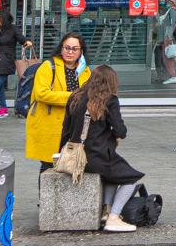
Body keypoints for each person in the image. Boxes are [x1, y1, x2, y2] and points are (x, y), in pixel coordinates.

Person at [60, 64, 147, 234]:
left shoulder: (75, 97)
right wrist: (116, 134)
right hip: (98, 156)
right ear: (111, 82)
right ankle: (114, 217)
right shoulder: (110, 100)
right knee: (131, 178)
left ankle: (106, 213)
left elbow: (66, 130)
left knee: (112, 176)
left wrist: (61, 154)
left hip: (76, 157)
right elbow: (121, 130)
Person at [25, 33, 89, 170]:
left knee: (70, 165)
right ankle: (46, 192)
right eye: (67, 48)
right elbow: (41, 94)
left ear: (81, 51)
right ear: (61, 48)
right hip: (50, 124)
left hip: (74, 127)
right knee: (49, 165)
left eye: (74, 49)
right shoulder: (48, 66)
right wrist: (73, 97)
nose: (70, 52)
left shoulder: (84, 70)